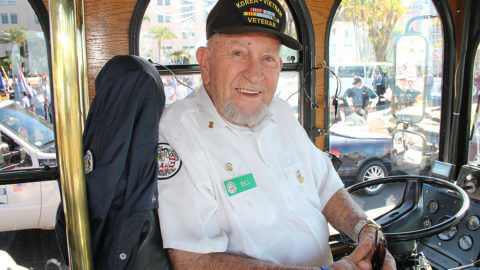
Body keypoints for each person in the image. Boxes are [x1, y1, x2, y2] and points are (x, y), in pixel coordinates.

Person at [156, 0, 396, 269]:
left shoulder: (279, 112)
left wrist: (366, 231)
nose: (255, 74)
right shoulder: (180, 131)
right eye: (238, 53)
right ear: (206, 63)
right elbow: (193, 259)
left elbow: (326, 187)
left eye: (267, 58)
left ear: (280, 66)